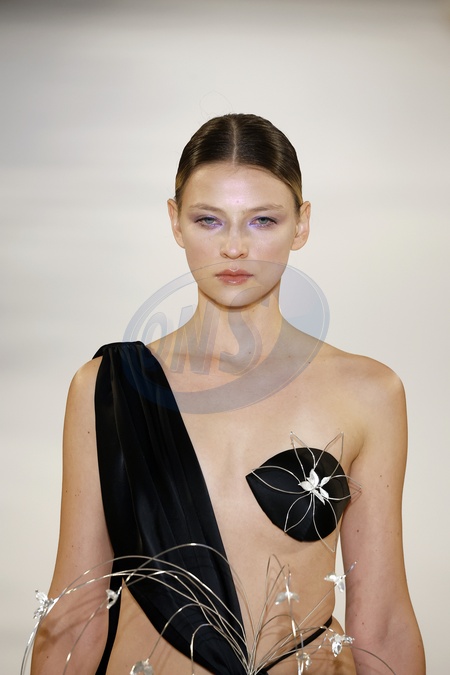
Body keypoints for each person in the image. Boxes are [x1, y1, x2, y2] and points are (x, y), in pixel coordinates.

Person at [30, 114, 425, 674]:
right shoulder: (107, 388)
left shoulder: (368, 393)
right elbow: (76, 613)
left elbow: (381, 620)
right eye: (209, 220)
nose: (235, 247)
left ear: (301, 224)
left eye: (263, 220)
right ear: (175, 221)